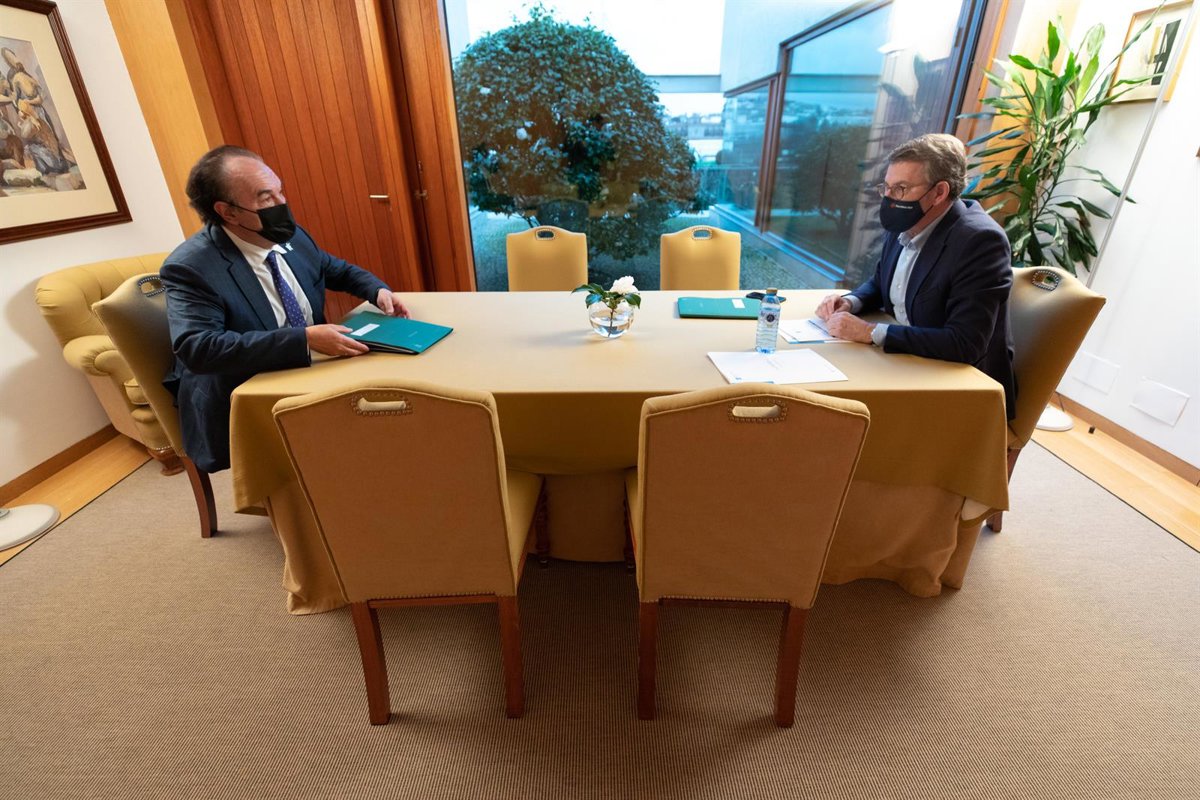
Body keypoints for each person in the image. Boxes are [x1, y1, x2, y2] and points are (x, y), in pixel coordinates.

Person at [162, 145, 410, 472]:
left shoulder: (288, 236)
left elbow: (334, 269)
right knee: (362, 431)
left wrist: (376, 290)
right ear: (228, 212)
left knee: (397, 403)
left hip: (311, 366)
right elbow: (198, 348)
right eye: (266, 198)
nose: (282, 204)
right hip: (245, 389)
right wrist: (304, 339)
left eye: (280, 192)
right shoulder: (191, 267)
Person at [816, 133, 1016, 418]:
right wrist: (850, 302)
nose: (889, 199)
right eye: (886, 188)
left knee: (840, 414)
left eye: (901, 189)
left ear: (939, 192)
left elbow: (965, 343)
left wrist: (870, 332)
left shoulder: (979, 242)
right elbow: (883, 282)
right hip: (906, 364)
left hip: (959, 389)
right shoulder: (909, 221)